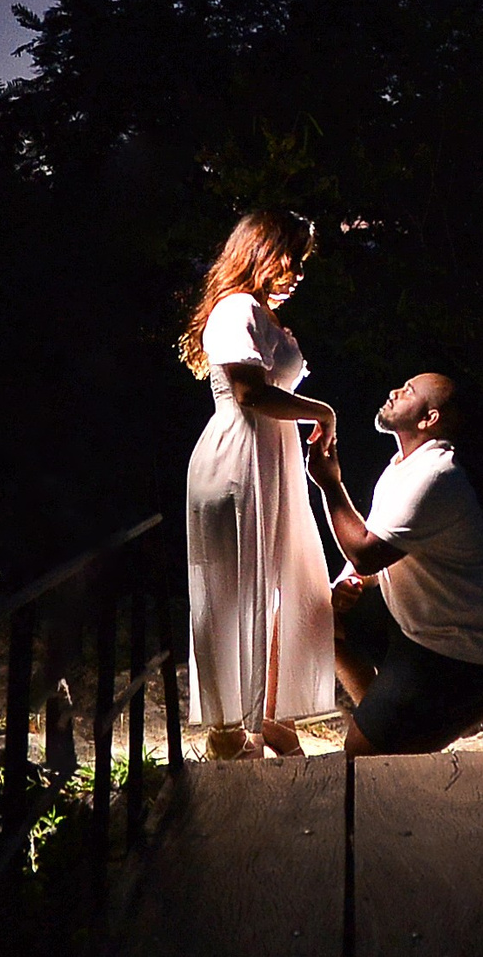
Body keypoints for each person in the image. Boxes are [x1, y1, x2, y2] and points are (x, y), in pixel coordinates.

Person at [181, 210, 339, 759]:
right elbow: (250, 393)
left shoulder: (261, 314)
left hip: (267, 460)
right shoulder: (236, 309)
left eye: (301, 261)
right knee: (233, 595)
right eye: (288, 256)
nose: (296, 270)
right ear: (259, 251)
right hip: (236, 459)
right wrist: (322, 410)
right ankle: (229, 735)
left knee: (275, 589)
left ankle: (266, 717)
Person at [306, 371, 483, 756]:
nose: (393, 391)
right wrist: (347, 583)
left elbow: (367, 552)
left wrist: (330, 483)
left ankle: (482, 702)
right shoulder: (402, 468)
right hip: (416, 626)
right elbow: (373, 551)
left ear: (428, 419)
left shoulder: (437, 477)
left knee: (360, 755)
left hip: (460, 651)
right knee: (320, 618)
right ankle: (393, 721)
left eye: (407, 392)